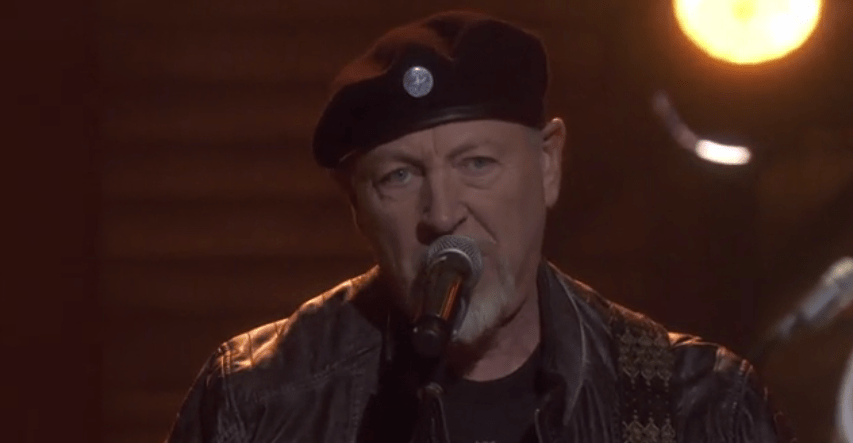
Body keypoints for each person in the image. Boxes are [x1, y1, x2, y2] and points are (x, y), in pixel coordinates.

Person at [164, 10, 792, 443]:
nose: (443, 214)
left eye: (477, 164)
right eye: (400, 177)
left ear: (547, 166)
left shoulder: (697, 404)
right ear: (356, 206)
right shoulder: (260, 400)